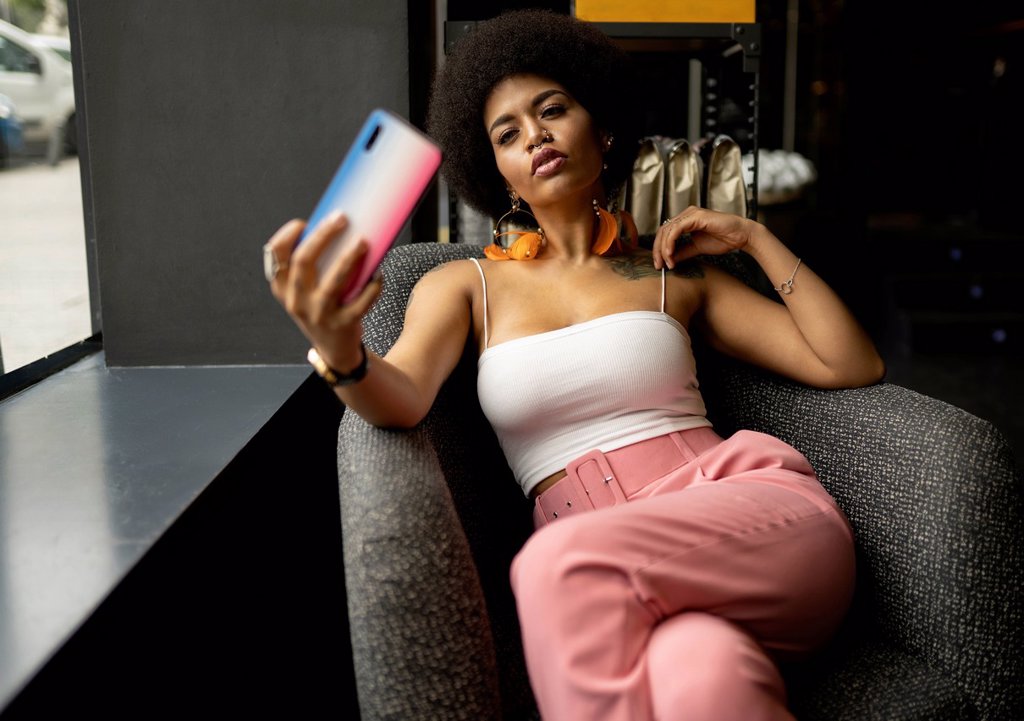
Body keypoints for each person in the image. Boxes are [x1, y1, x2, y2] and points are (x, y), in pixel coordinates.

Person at [264, 9, 885, 721]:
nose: (535, 135)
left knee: (554, 564)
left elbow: (850, 362)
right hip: (627, 591)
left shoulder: (671, 277)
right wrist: (343, 355)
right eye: (507, 132)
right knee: (703, 673)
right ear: (494, 167)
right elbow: (399, 397)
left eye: (552, 109)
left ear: (603, 124)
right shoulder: (466, 286)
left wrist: (754, 239)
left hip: (757, 523)